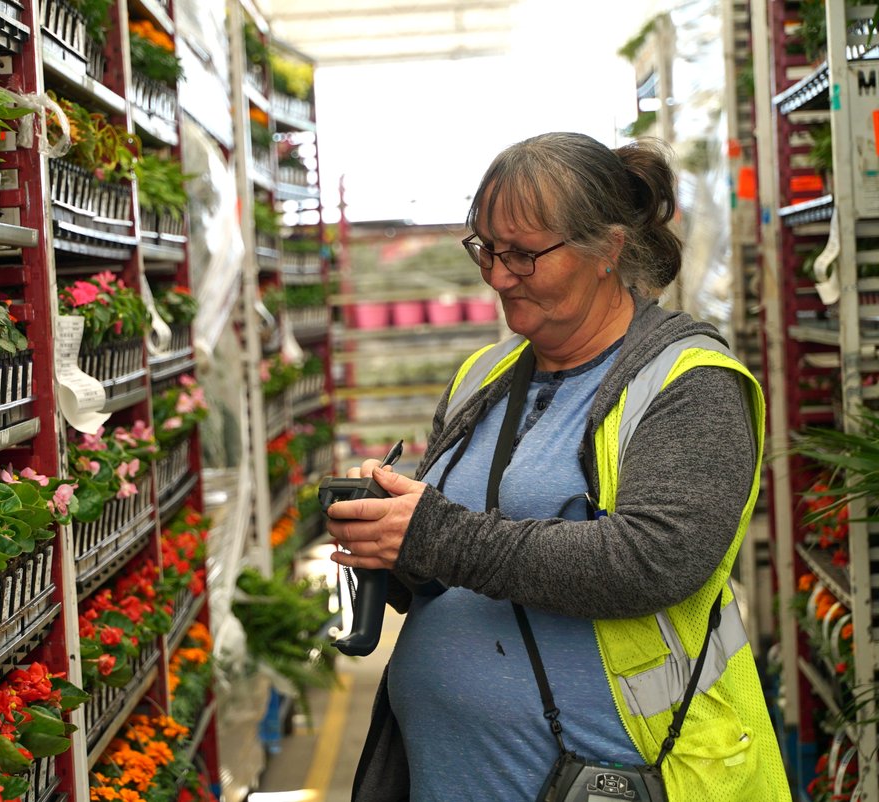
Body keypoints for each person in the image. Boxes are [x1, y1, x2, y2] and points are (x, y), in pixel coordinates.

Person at [325, 132, 789, 802]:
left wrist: (435, 534)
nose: (496, 274)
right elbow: (451, 569)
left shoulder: (689, 383)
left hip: (625, 771)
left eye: (523, 254)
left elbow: (652, 560)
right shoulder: (481, 377)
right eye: (485, 247)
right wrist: (393, 543)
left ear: (608, 249)